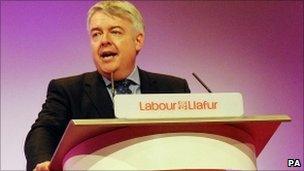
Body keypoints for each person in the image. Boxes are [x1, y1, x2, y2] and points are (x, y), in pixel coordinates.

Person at [24, 1, 190, 171]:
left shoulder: (174, 89)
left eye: (115, 32)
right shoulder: (67, 90)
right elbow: (43, 131)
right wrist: (42, 161)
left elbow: (189, 144)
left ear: (138, 41)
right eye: (96, 34)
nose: (104, 41)